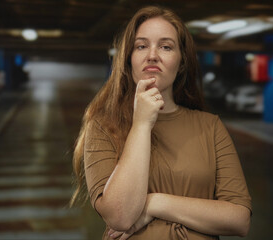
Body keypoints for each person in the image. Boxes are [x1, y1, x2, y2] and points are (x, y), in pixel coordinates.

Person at [72, 6, 252, 240]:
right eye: (141, 46)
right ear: (128, 60)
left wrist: (154, 203)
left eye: (166, 46)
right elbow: (120, 217)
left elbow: (239, 219)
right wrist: (142, 124)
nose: (152, 55)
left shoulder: (210, 126)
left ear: (182, 62)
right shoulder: (103, 126)